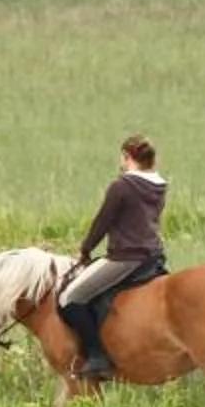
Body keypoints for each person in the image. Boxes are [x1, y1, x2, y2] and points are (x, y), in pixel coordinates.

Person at [59, 135, 169, 380]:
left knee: (70, 298)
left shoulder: (121, 186)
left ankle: (97, 356)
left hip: (126, 258)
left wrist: (85, 249)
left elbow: (103, 222)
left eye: (122, 157)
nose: (120, 162)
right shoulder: (159, 185)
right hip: (153, 257)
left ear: (128, 157)